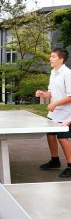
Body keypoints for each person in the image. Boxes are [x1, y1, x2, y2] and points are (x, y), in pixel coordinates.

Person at [35, 48, 71, 177]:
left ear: (61, 59)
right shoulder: (53, 72)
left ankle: (70, 166)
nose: (50, 58)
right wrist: (42, 93)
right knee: (50, 135)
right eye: (50, 56)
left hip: (66, 114)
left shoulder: (67, 74)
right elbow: (52, 93)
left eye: (53, 56)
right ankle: (55, 161)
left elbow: (70, 96)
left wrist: (55, 103)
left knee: (63, 138)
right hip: (54, 113)